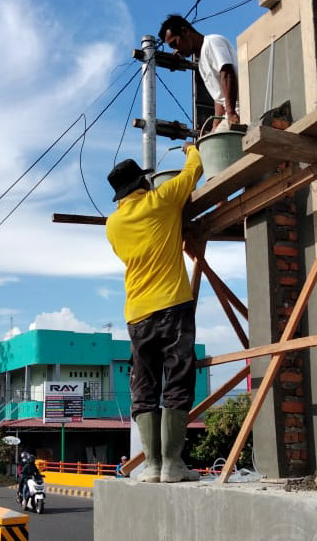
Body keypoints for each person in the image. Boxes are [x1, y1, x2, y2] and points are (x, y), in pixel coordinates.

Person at [105, 145, 203, 484]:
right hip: (173, 304)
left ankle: (153, 466)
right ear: (142, 185)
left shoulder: (113, 224)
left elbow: (124, 255)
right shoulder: (161, 200)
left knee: (145, 386)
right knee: (177, 379)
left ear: (120, 195)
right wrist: (191, 148)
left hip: (137, 313)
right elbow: (194, 171)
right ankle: (173, 465)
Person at [159, 14, 240, 131]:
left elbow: (227, 73)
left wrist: (231, 114)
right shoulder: (201, 62)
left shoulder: (212, 42)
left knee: (213, 147)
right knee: (206, 144)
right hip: (230, 114)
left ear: (185, 32)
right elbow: (219, 96)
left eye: (175, 43)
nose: (176, 50)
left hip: (242, 108)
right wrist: (215, 125)